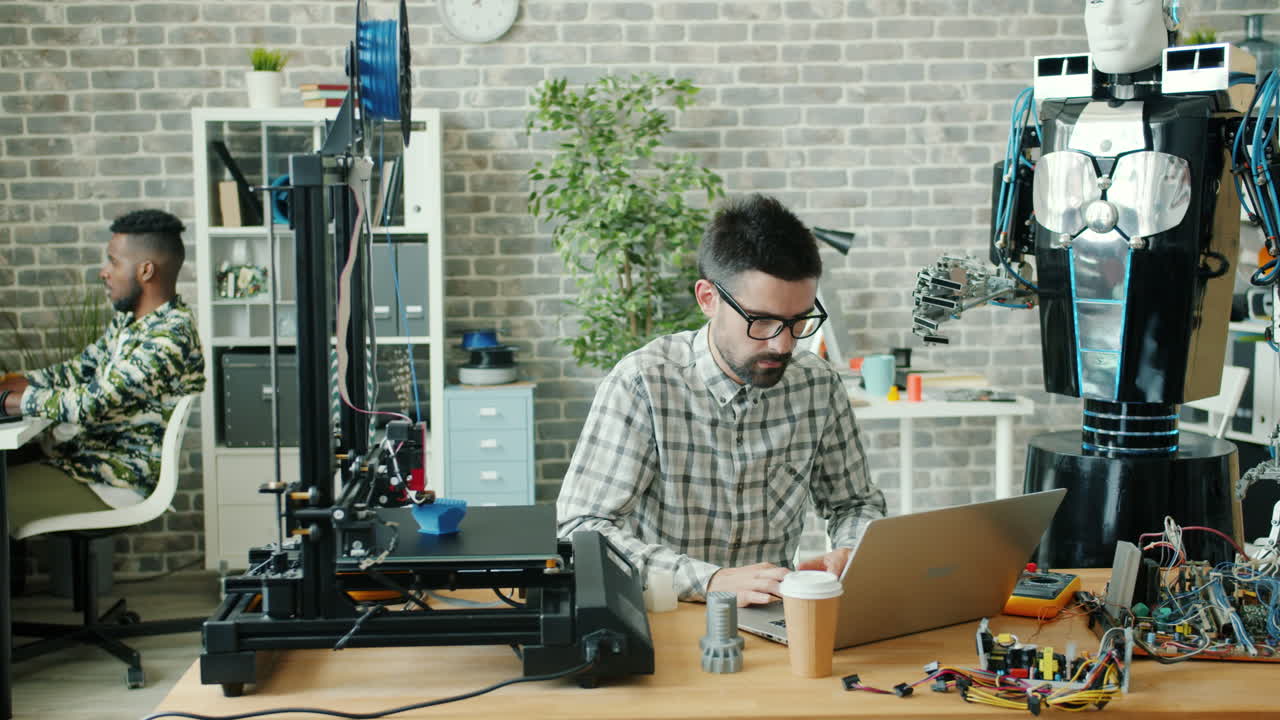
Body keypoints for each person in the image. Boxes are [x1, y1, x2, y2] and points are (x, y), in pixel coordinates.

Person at [557, 194, 886, 607]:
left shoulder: (817, 384)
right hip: (666, 615)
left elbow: (854, 504)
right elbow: (581, 529)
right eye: (760, 320)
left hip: (775, 617)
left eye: (798, 320)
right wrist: (708, 581)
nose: (782, 344)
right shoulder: (643, 382)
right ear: (708, 298)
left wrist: (851, 552)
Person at [0, 209, 206, 535]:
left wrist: (11, 401)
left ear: (145, 270)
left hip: (111, 481)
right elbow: (80, 368)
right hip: (88, 466)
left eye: (113, 262)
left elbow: (89, 403)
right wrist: (17, 381)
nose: (104, 272)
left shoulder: (168, 337)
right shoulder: (134, 322)